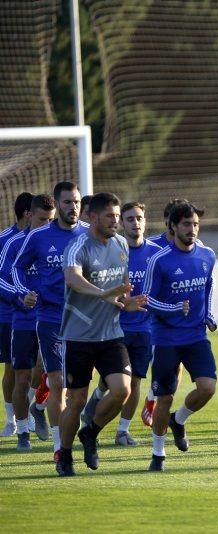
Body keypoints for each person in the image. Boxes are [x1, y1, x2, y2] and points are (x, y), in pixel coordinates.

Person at [55, 193, 147, 476]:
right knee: (77, 400)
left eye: (118, 216)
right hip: (79, 336)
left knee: (122, 390)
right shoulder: (78, 246)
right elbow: (73, 278)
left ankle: (91, 432)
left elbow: (120, 290)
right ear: (92, 217)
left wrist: (126, 303)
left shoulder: (121, 245)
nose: (116, 221)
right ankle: (65, 455)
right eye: (110, 216)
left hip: (111, 334)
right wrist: (103, 294)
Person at [13, 181, 87, 460]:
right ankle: (60, 448)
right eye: (68, 202)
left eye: (77, 202)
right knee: (58, 384)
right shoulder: (39, 237)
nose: (73, 207)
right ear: (58, 204)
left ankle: (42, 411)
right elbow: (17, 268)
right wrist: (24, 292)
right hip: (50, 317)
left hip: (85, 320)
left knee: (79, 391)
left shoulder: (89, 236)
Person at [141, 201, 217, 472]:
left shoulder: (207, 255)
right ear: (173, 227)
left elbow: (208, 286)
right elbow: (147, 300)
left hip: (196, 337)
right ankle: (158, 453)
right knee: (164, 398)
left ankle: (179, 420)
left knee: (208, 387)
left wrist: (208, 315)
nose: (192, 229)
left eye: (195, 224)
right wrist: (173, 308)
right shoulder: (159, 260)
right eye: (186, 224)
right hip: (165, 340)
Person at [0, 194, 55, 449]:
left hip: (51, 319)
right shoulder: (13, 244)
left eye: (51, 220)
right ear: (29, 215)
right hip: (21, 320)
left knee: (51, 374)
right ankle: (21, 430)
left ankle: (39, 409)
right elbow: (2, 279)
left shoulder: (58, 242)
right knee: (20, 376)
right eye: (43, 219)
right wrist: (20, 296)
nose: (47, 225)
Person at [114, 202, 162, 445]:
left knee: (134, 382)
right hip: (115, 328)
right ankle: (91, 415)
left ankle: (122, 431)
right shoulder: (113, 251)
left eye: (139, 218)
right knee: (109, 382)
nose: (135, 223)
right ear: (122, 223)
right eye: (130, 219)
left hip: (144, 329)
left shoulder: (156, 253)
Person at [0, 192, 31, 437]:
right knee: (13, 368)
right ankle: (11, 419)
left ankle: (31, 410)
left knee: (41, 367)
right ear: (27, 213)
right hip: (9, 315)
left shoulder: (42, 238)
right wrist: (18, 298)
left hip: (40, 316)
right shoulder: (5, 241)